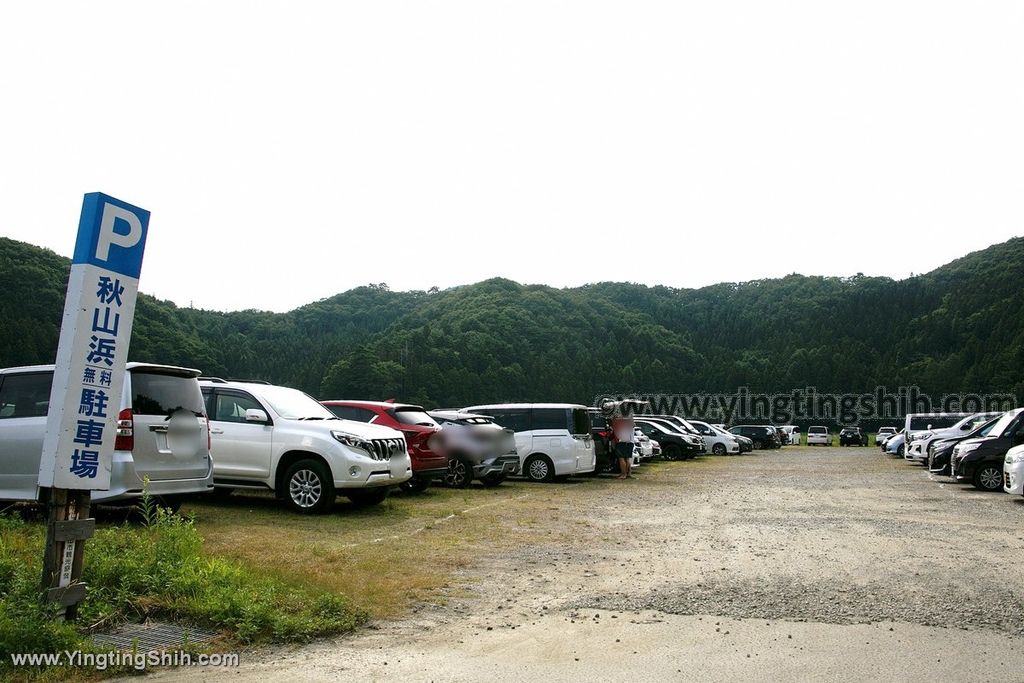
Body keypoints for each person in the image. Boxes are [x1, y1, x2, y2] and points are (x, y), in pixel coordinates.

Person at [611, 410, 635, 479]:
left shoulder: (621, 420)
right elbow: (633, 425)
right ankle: (628, 473)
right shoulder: (630, 421)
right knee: (627, 458)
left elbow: (614, 426)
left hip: (622, 440)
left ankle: (623, 474)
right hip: (630, 441)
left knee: (621, 458)